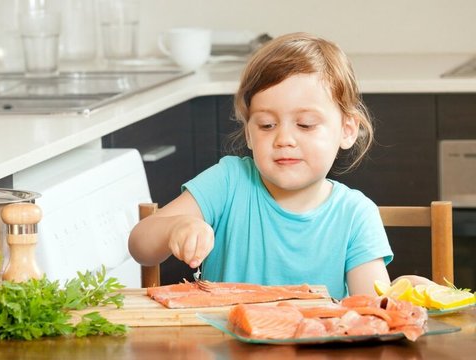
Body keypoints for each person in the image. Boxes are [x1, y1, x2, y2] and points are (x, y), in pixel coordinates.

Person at [129, 32, 396, 299]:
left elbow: (375, 310)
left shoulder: (356, 215)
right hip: (223, 340)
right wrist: (175, 228)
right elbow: (140, 244)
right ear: (248, 133)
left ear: (347, 130)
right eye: (267, 125)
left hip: (321, 340)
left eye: (305, 124)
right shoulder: (228, 182)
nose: (284, 139)